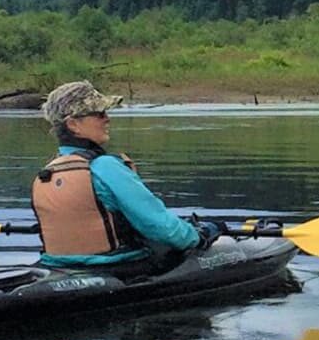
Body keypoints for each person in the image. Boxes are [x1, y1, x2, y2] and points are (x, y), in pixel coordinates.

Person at [32, 80, 219, 268]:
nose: (107, 118)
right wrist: (201, 236)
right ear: (73, 124)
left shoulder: (47, 173)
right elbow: (160, 227)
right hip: (117, 267)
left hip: (56, 265)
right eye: (99, 114)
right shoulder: (104, 167)